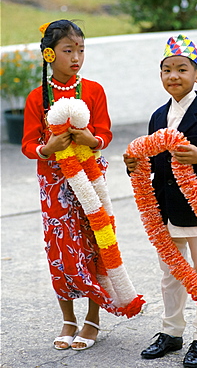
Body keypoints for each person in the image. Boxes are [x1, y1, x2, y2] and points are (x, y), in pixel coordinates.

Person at [123, 34, 197, 367]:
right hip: (165, 210)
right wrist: (134, 167)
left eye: (181, 69)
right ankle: (171, 332)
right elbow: (153, 164)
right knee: (170, 275)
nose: (174, 76)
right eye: (166, 70)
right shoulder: (158, 116)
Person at [22, 19, 114, 351]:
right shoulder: (37, 97)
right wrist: (47, 150)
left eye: (81, 50)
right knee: (60, 249)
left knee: (92, 243)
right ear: (49, 54)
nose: (76, 57)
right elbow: (28, 144)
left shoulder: (93, 91)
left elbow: (105, 134)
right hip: (53, 182)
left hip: (90, 179)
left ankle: (92, 318)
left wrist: (93, 139)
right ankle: (68, 319)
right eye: (68, 50)